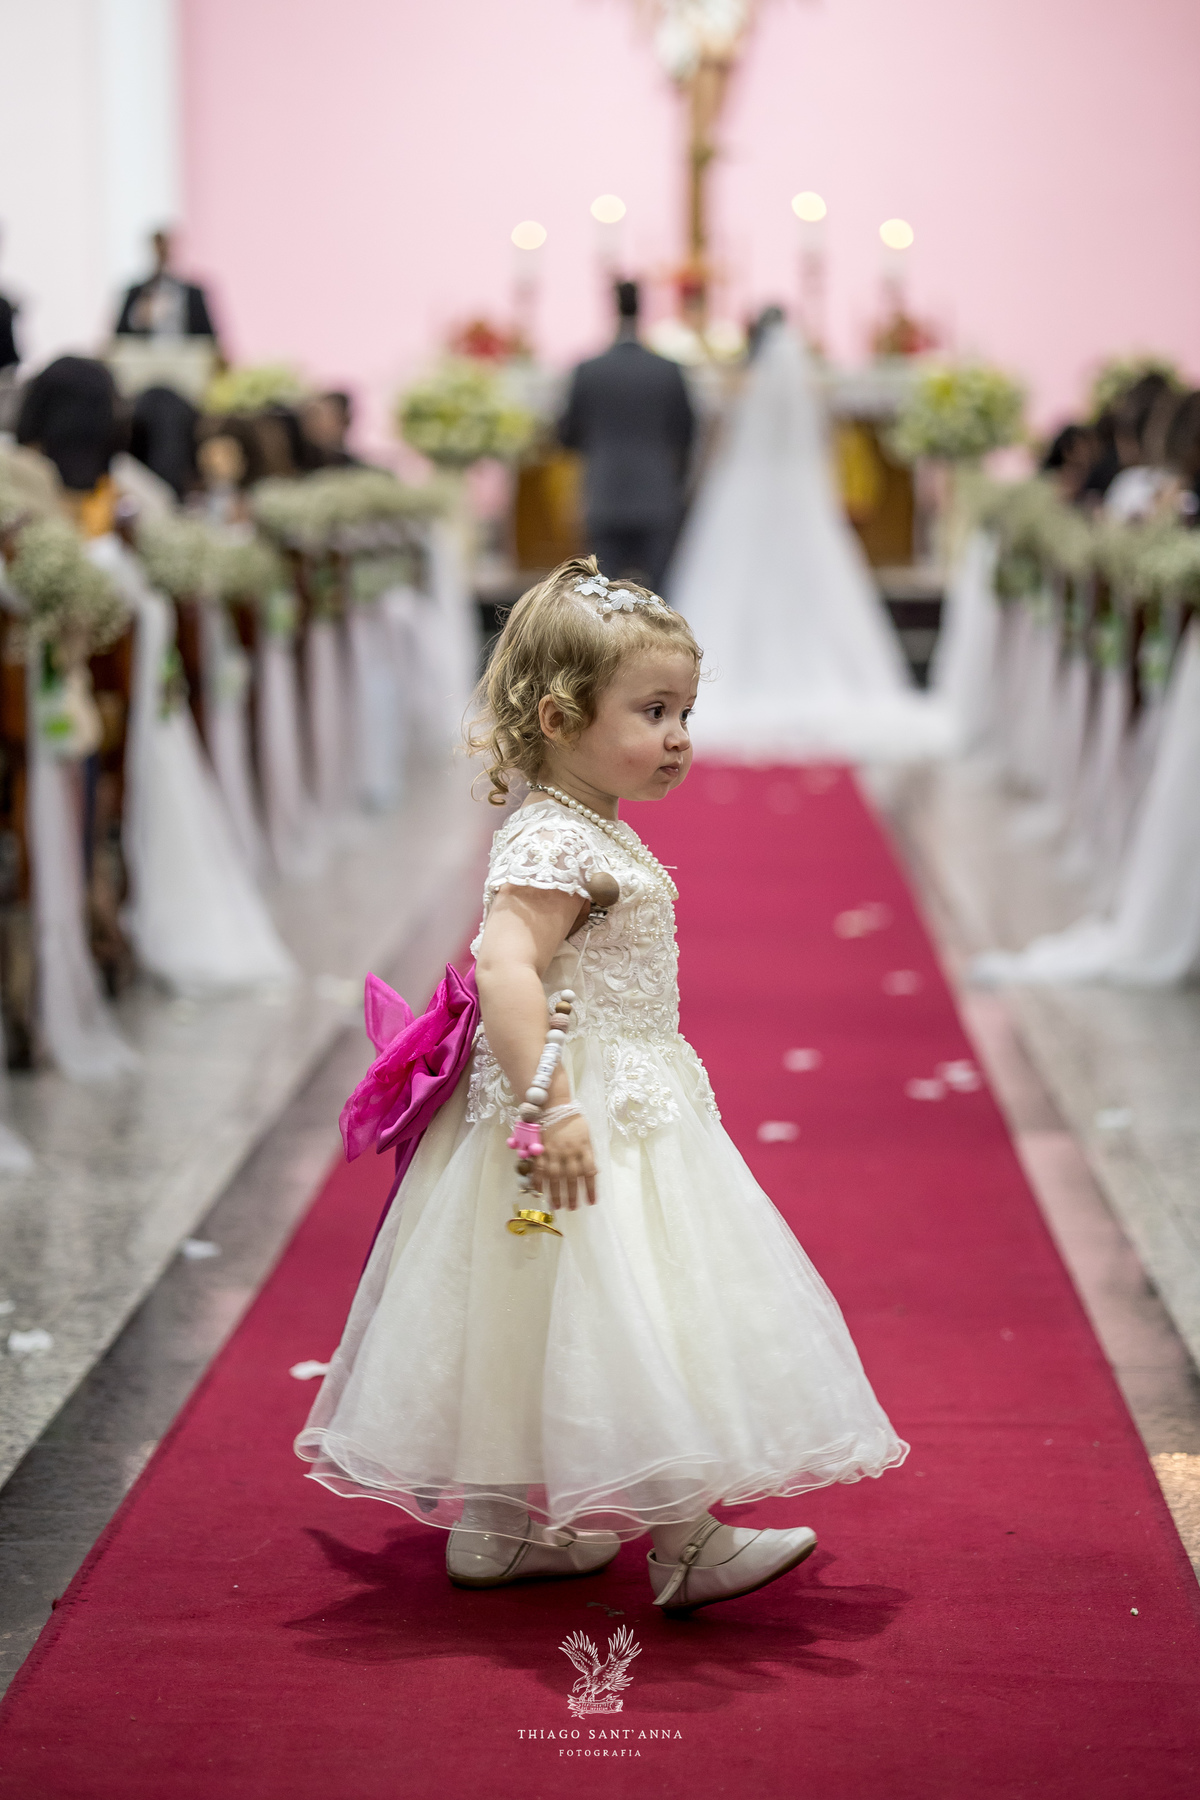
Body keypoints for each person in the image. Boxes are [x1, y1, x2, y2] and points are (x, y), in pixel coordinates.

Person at [296, 556, 907, 1612]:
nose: (679, 736)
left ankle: (497, 1532)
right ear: (559, 716)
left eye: (686, 712)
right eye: (653, 711)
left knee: (528, 1306)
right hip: (585, 1111)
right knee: (634, 1303)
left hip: (599, 1096)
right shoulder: (551, 840)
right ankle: (687, 1543)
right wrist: (554, 1105)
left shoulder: (585, 826)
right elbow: (505, 968)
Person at [559, 281, 694, 591]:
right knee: (660, 598)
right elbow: (686, 434)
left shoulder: (589, 370)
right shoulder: (668, 370)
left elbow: (566, 436)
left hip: (604, 494)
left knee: (602, 596)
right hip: (658, 496)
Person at [114, 228, 218, 342]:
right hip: (145, 351)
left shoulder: (193, 294)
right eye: (158, 249)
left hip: (185, 351)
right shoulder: (136, 293)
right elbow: (119, 336)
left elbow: (208, 337)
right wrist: (137, 319)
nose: (161, 254)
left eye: (165, 248)